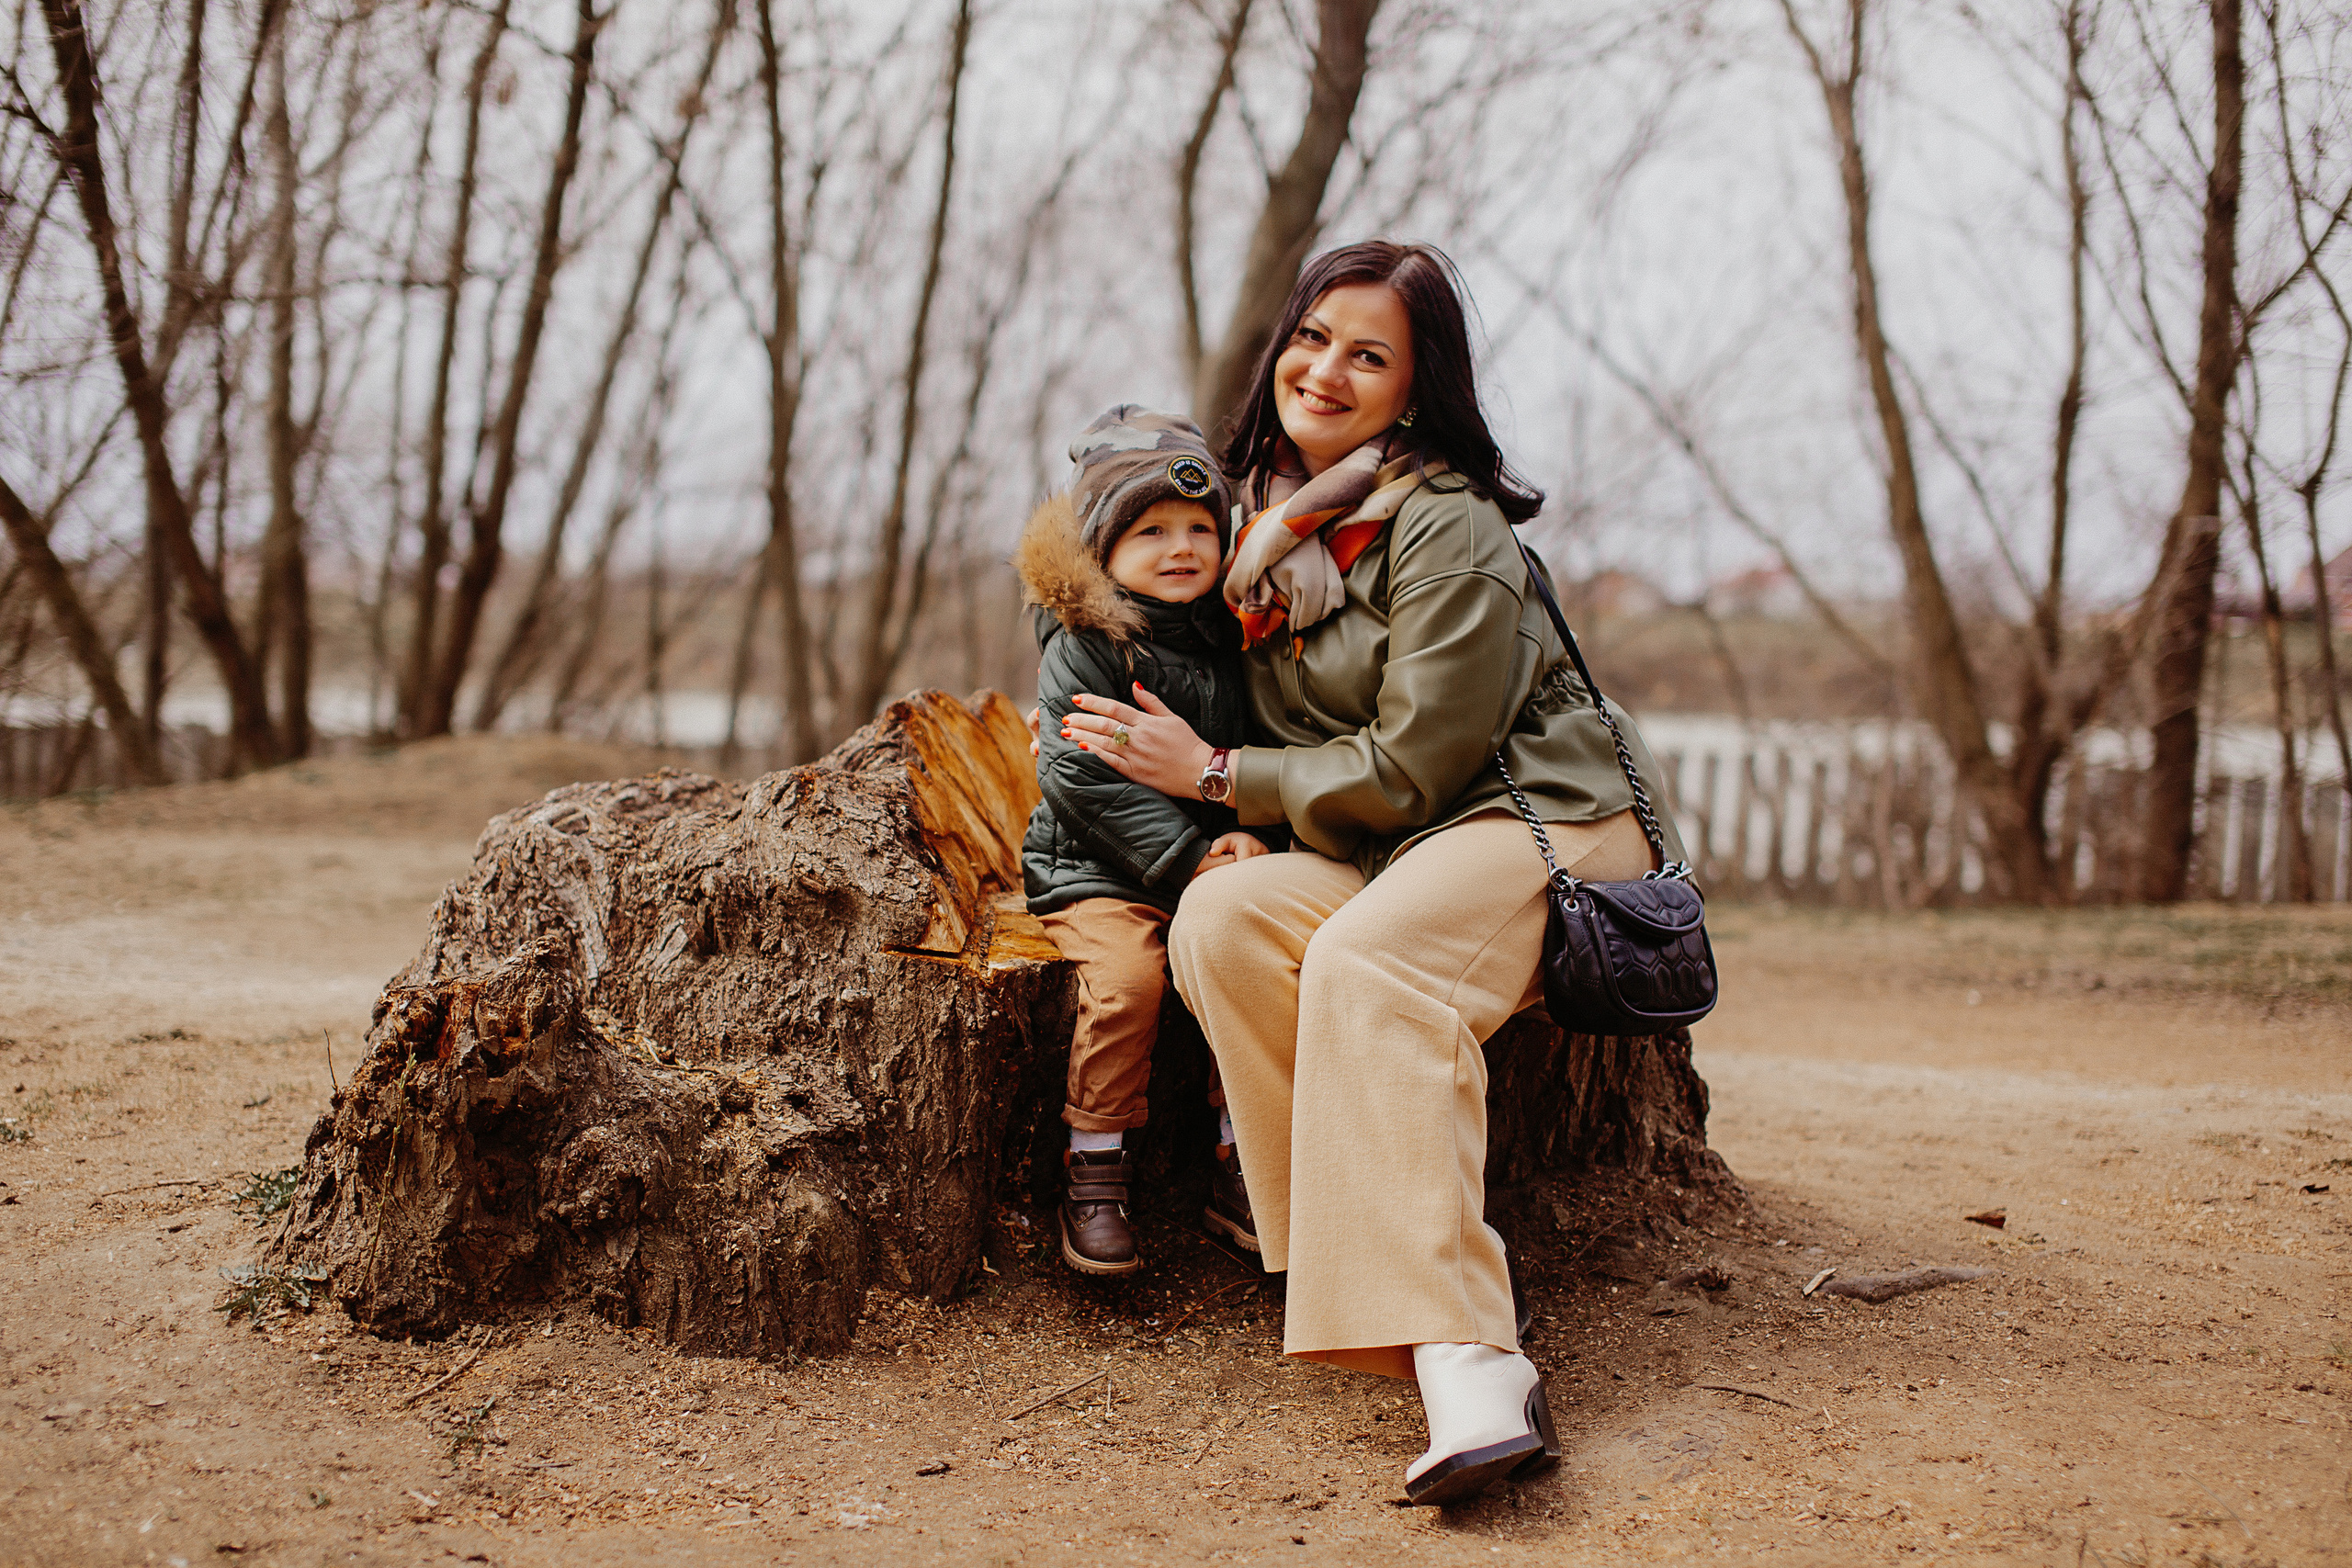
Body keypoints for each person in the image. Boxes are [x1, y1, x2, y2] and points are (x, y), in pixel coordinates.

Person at [1053, 242, 1688, 1505]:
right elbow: (1107, 588)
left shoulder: (1442, 521)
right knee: (1226, 918)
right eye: (1312, 336)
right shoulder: (1263, 532)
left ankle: (1467, 1348)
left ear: (1417, 386)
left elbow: (1415, 761)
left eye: (1369, 354)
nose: (1326, 370)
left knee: (1367, 960)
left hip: (1535, 821)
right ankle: (1350, 1273)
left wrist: (1219, 777)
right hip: (1393, 844)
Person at [1016, 405, 1273, 1279]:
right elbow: (1080, 779)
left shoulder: (1238, 635)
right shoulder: (1087, 646)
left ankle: (1244, 1159)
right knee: (1129, 984)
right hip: (1095, 866)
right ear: (1101, 546)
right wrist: (1190, 854)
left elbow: (1261, 748)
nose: (1181, 547)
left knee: (1249, 974)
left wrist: (1241, 835)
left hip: (1205, 861)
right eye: (1152, 528)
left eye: (1200, 528)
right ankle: (1094, 1164)